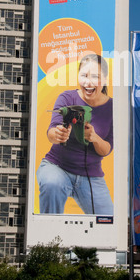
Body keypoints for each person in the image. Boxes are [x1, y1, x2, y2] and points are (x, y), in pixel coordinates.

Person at [36, 53, 113, 215]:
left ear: (105, 80)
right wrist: (57, 134)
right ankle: (49, 238)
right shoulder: (66, 98)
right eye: (84, 75)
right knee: (52, 184)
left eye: (95, 76)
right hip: (57, 167)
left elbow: (106, 150)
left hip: (92, 176)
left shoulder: (114, 108)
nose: (88, 82)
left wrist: (94, 138)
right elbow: (51, 131)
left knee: (109, 221)